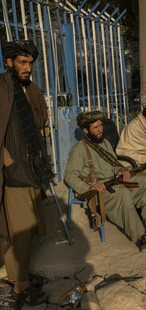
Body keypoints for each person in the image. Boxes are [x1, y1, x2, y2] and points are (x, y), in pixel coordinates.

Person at [64, 111, 146, 251]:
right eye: (95, 127)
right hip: (100, 190)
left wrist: (120, 170)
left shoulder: (105, 143)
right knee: (122, 193)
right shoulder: (78, 150)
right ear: (85, 130)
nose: (100, 130)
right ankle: (140, 237)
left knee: (145, 181)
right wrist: (89, 186)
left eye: (101, 126)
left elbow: (114, 164)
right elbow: (69, 175)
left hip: (114, 182)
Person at [0, 40, 50, 305]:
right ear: (9, 62)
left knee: (29, 226)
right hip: (12, 169)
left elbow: (39, 120)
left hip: (32, 166)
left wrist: (35, 94)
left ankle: (22, 275)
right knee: (17, 228)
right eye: (22, 62)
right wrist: (5, 157)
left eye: (30, 63)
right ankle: (20, 285)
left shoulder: (29, 88)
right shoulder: (1, 87)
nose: (28, 68)